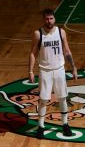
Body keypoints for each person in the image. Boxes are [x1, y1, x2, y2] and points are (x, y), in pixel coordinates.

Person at [28, 8, 77, 136]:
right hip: (45, 70)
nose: (49, 21)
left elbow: (67, 51)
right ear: (43, 19)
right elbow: (33, 53)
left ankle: (65, 124)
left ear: (54, 19)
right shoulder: (38, 34)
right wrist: (31, 71)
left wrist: (74, 67)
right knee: (43, 99)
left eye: (51, 18)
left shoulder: (61, 32)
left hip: (59, 69)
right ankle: (41, 126)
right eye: (47, 19)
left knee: (62, 98)